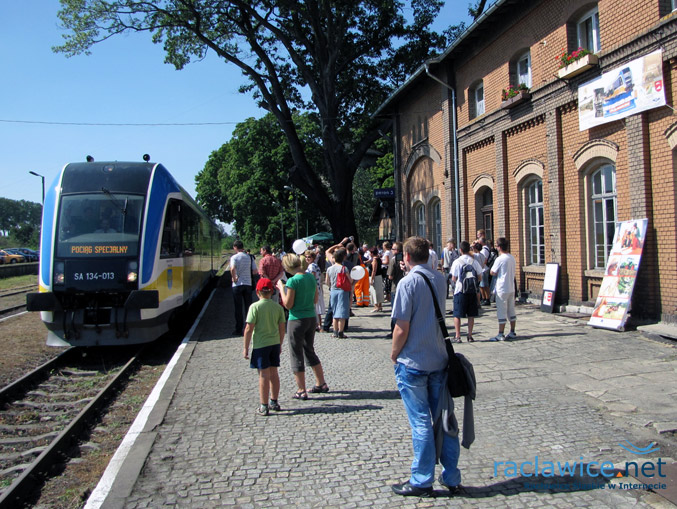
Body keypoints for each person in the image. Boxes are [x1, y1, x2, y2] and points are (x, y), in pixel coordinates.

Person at [390, 236, 461, 497]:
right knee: (445, 419)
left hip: (414, 362)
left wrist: (394, 354)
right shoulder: (439, 278)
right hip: (439, 359)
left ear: (406, 257)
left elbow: (401, 327)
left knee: (420, 422)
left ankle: (421, 480)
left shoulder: (407, 283)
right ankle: (451, 476)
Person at [277, 253, 329, 399]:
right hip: (311, 318)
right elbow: (315, 299)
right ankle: (321, 383)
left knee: (296, 353)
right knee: (309, 350)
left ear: (287, 266)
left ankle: (301, 389)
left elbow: (288, 304)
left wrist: (281, 289)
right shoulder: (310, 277)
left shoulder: (292, 281)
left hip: (296, 320)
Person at [243, 278, 286, 416]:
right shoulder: (278, 307)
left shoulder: (254, 307)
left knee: (263, 375)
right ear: (272, 291)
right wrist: (280, 343)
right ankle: (274, 401)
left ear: (257, 292)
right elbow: (282, 328)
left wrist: (246, 347)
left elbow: (249, 328)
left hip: (260, 345)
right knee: (274, 373)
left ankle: (264, 405)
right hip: (274, 344)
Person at [450, 241, 483, 342]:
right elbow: (480, 276)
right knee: (471, 314)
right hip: (472, 291)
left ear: (460, 250)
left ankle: (458, 336)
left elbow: (454, 278)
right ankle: (469, 335)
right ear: (469, 249)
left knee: (457, 314)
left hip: (460, 291)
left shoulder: (457, 262)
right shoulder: (474, 262)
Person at [489, 237, 517, 341]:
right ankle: (512, 331)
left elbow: (492, 271)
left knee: (501, 311)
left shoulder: (500, 259)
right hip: (511, 286)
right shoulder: (512, 257)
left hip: (502, 287)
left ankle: (501, 333)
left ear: (499, 247)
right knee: (511, 310)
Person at [230, 240, 258, 336]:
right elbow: (255, 271)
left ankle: (238, 329)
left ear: (235, 247)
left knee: (238, 308)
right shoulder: (250, 257)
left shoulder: (234, 257)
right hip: (248, 284)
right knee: (248, 307)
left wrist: (234, 278)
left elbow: (232, 268)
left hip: (237, 285)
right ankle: (248, 327)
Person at [325, 248, 352, 338]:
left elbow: (326, 281)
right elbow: (350, 280)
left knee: (334, 311)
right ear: (343, 258)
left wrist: (331, 286)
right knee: (342, 313)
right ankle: (341, 332)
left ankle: (335, 332)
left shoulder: (329, 269)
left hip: (333, 291)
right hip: (342, 291)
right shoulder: (344, 268)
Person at [304, 250, 325, 331]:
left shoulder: (312, 266)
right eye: (306, 257)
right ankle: (318, 324)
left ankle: (318, 325)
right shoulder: (315, 265)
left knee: (316, 307)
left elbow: (312, 277)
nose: (307, 258)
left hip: (314, 288)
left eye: (309, 257)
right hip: (317, 288)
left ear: (313, 258)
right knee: (317, 307)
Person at [369, 246, 384, 312]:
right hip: (379, 276)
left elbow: (374, 270)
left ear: (372, 253)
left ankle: (376, 306)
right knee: (379, 291)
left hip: (375, 277)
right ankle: (380, 305)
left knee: (374, 292)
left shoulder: (375, 260)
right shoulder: (379, 259)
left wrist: (372, 279)